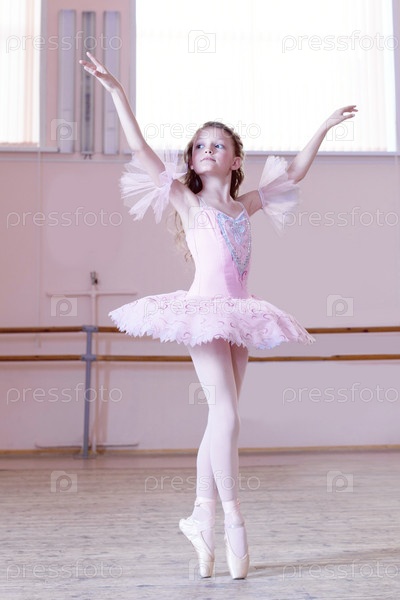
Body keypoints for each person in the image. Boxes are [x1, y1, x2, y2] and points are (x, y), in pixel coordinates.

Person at [80, 51, 357, 580]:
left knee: (219, 419)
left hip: (241, 315)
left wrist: (323, 126)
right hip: (203, 314)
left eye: (218, 145)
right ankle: (233, 518)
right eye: (199, 145)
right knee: (227, 414)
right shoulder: (188, 202)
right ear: (191, 160)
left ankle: (200, 517)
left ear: (234, 160)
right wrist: (116, 90)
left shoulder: (244, 206)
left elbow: (295, 172)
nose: (207, 150)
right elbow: (139, 149)